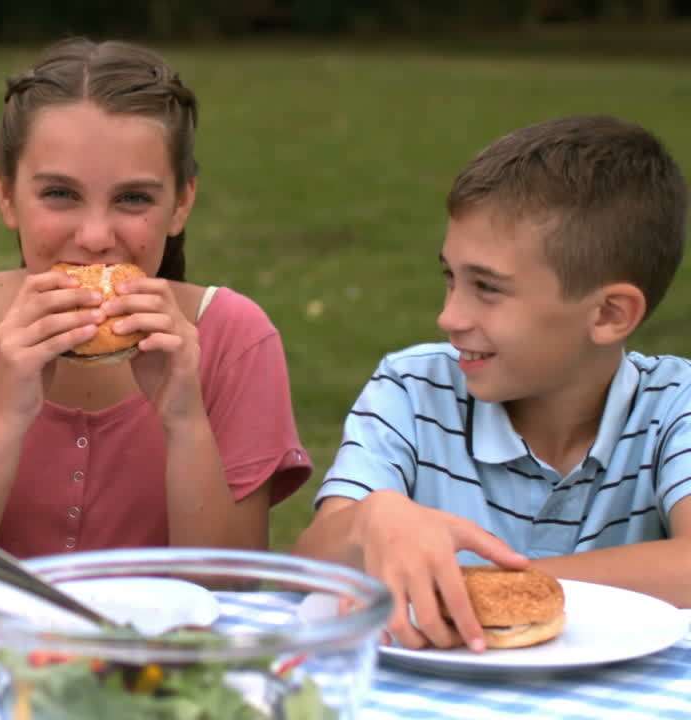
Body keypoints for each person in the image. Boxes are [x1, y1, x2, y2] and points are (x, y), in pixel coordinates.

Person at [0, 38, 312, 585]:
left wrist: (185, 422)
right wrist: (3, 417)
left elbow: (232, 595)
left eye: (134, 199)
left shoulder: (235, 337)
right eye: (60, 194)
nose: (94, 237)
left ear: (181, 204)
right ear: (6, 196)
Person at [293, 115, 691, 652]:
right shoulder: (412, 389)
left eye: (487, 287)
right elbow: (311, 566)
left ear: (609, 314)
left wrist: (495, 588)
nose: (449, 316)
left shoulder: (674, 405)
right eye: (451, 278)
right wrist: (369, 522)